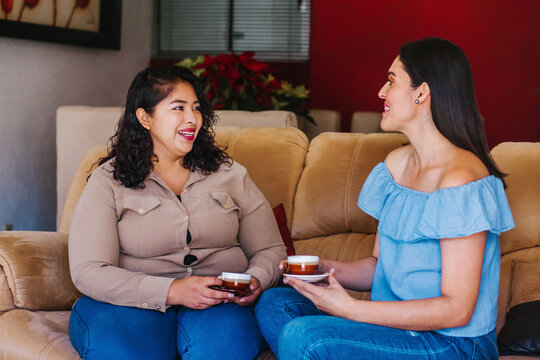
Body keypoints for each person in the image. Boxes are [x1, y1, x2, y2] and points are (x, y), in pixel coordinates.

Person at [255, 37, 515, 360]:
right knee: (274, 304)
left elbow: (457, 310)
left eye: (391, 81)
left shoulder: (460, 179)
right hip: (392, 332)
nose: (381, 92)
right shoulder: (395, 165)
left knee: (304, 337)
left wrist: (352, 310)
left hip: (451, 343)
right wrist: (325, 269)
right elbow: (378, 266)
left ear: (422, 92)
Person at [68, 66, 286, 360]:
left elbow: (270, 249)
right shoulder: (109, 180)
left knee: (225, 347)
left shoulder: (230, 173)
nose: (192, 119)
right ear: (145, 117)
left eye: (196, 108)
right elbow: (89, 270)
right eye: (178, 108)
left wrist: (255, 280)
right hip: (129, 306)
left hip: (219, 305)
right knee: (124, 351)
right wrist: (174, 291)